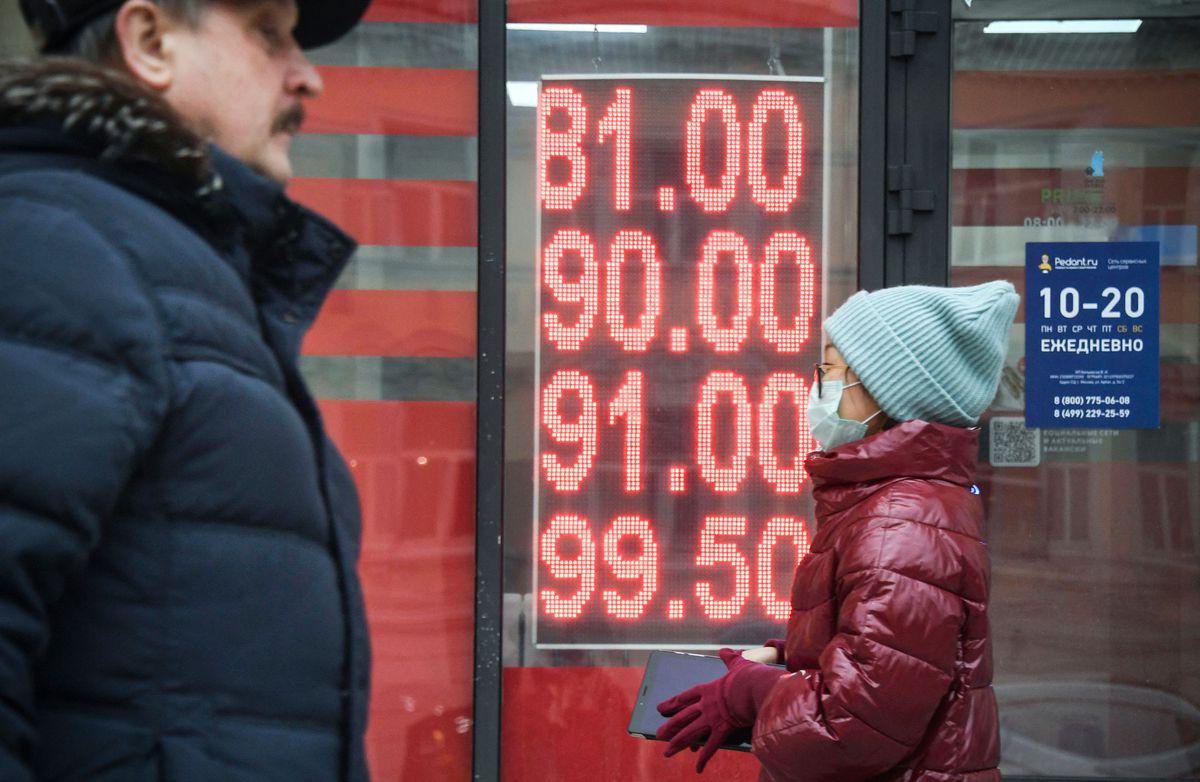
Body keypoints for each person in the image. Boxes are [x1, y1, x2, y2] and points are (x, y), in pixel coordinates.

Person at [0, 0, 372, 778]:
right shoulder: (56, 250)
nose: (308, 76)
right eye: (268, 31)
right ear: (151, 41)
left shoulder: (171, 273)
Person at [657, 281, 1019, 782]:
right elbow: (894, 662)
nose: (819, 385)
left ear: (886, 388)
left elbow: (851, 723)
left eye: (831, 369)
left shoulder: (898, 524)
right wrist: (787, 657)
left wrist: (747, 692)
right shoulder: (904, 506)